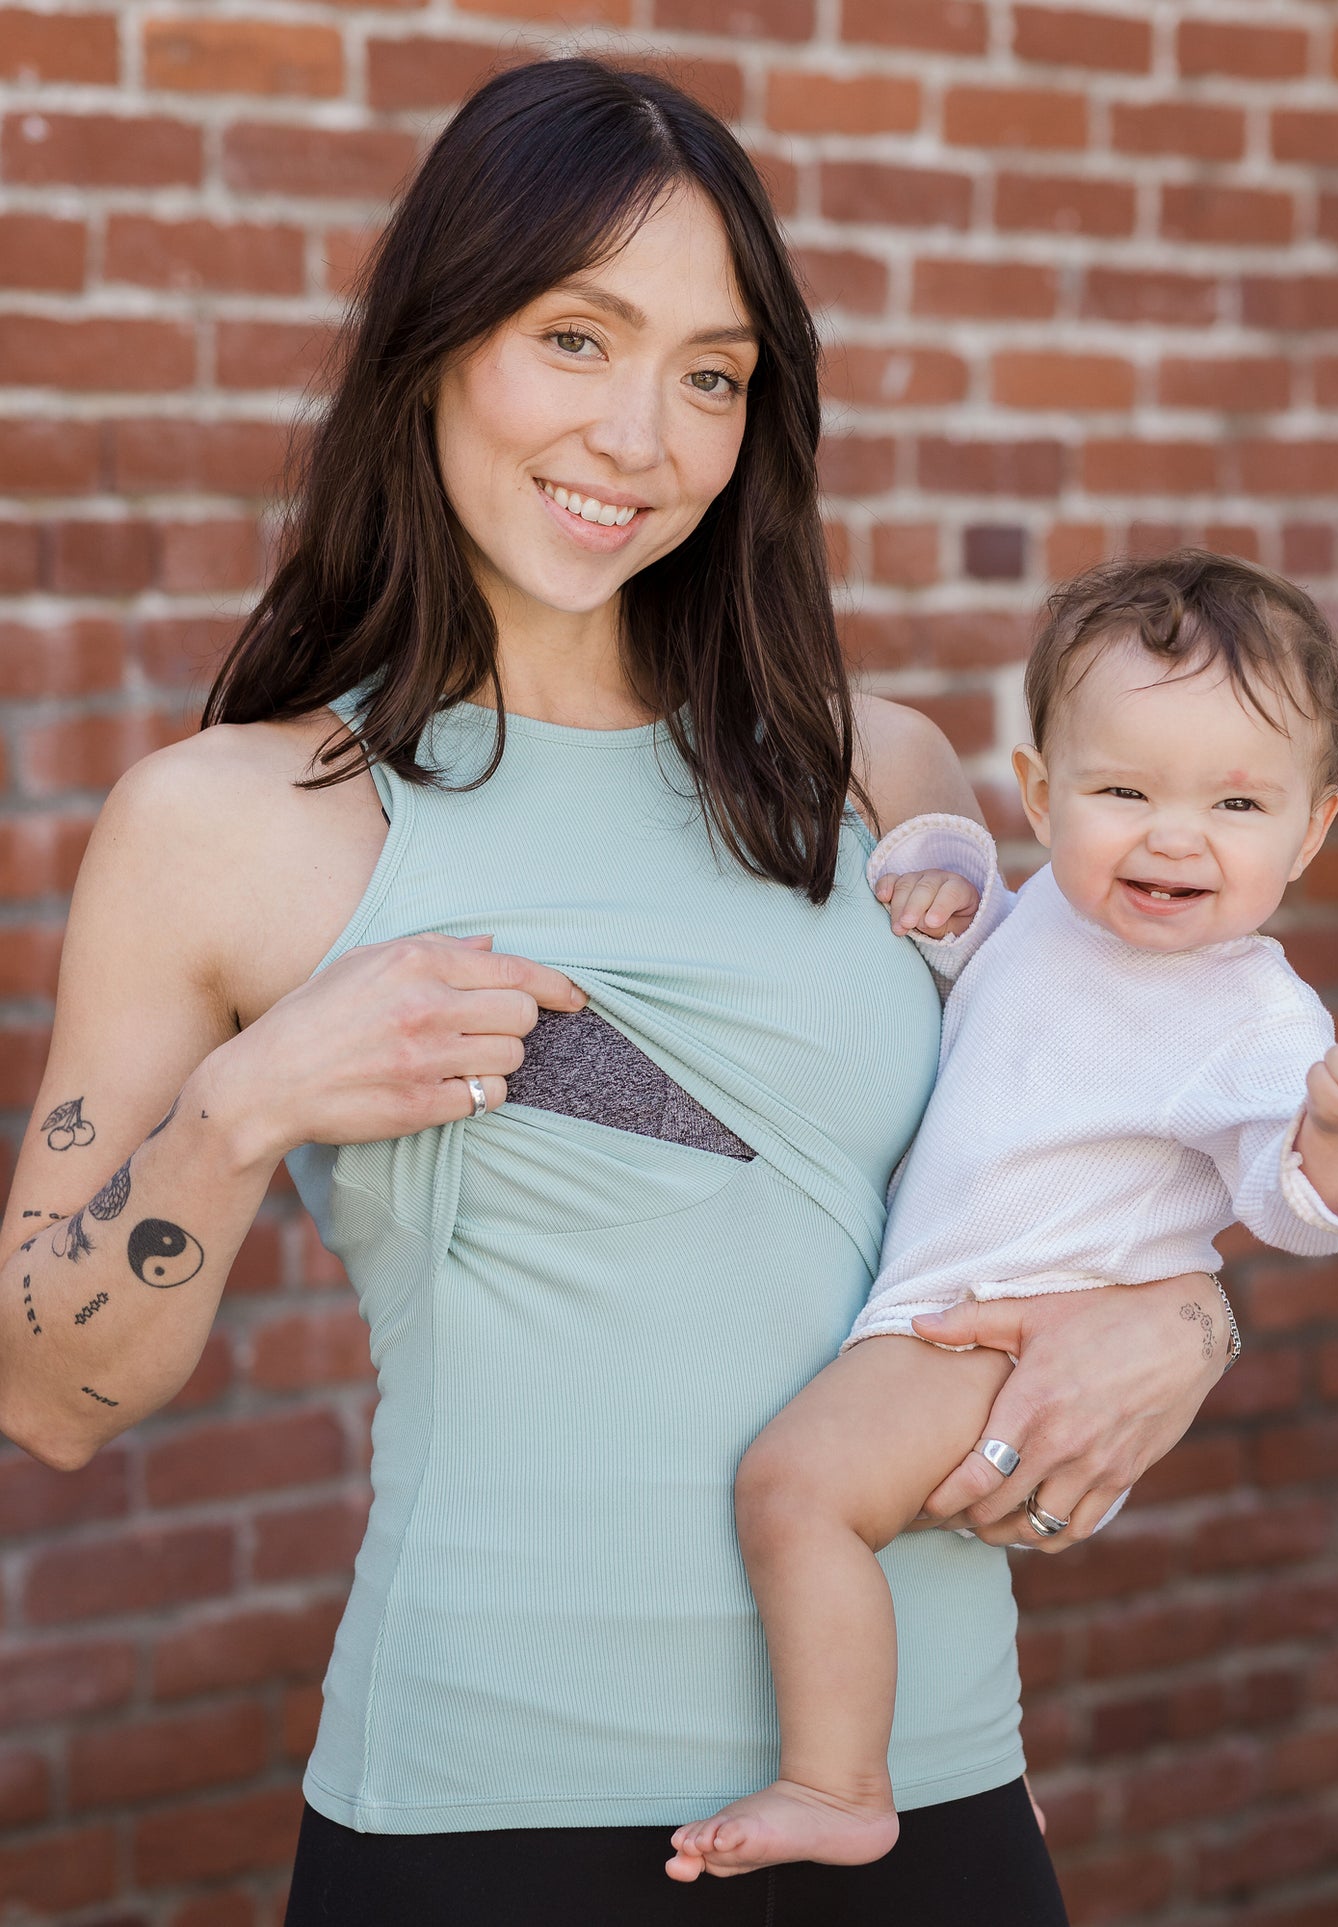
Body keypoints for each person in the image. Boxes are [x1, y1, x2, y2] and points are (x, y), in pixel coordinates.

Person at [0, 61, 1235, 1926]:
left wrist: (1186, 1323)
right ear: (436, 342)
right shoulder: (231, 823)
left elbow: (1060, 1164)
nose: (641, 436)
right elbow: (48, 1396)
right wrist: (248, 1104)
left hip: (923, 1788)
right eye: (574, 338)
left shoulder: (881, 781)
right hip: (490, 1816)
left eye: (711, 375)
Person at [668, 552, 1338, 1883]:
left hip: (1009, 1337)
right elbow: (994, 994)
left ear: (1310, 832)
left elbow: (1293, 1206)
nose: (1174, 837)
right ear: (1040, 794)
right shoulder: (1053, 926)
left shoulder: (1251, 1015)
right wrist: (948, 891)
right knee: (848, 1524)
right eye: (1123, 792)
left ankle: (839, 1786)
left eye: (1237, 803)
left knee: (795, 1491)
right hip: (944, 1315)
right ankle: (935, 1759)